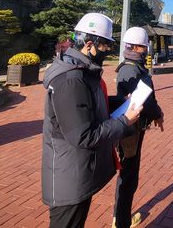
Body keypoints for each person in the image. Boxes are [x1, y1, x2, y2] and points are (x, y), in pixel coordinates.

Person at [42, 12, 142, 228]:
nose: (108, 52)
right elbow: (83, 135)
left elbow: (89, 106)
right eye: (105, 46)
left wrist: (119, 102)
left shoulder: (83, 72)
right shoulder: (71, 80)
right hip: (68, 179)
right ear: (89, 44)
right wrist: (125, 121)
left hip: (76, 172)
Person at [112, 27, 165, 228]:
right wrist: (157, 114)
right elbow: (145, 101)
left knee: (129, 174)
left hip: (134, 127)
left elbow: (149, 95)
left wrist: (156, 112)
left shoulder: (134, 66)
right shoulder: (130, 69)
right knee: (128, 176)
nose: (146, 49)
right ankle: (120, 219)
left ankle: (120, 216)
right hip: (129, 130)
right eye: (144, 46)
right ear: (135, 46)